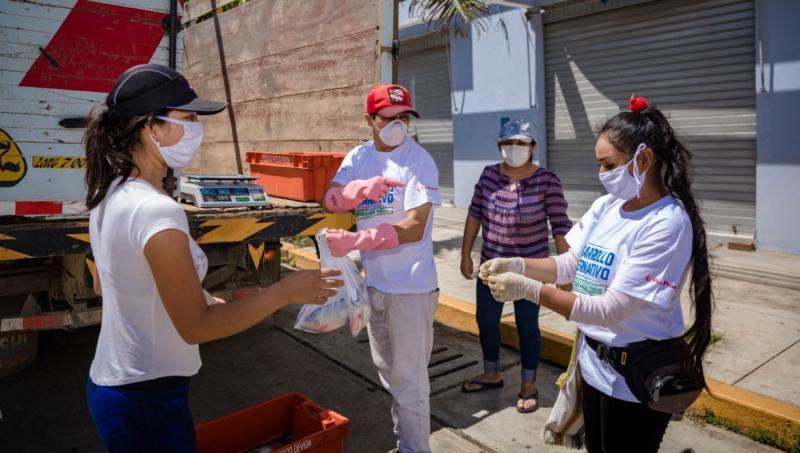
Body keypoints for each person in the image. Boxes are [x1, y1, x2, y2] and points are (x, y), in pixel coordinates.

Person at [84, 64, 343, 452]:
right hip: (147, 398)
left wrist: (195, 296)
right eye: (187, 117)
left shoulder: (110, 195)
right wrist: (285, 291)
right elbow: (196, 329)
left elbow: (109, 284)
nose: (196, 128)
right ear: (150, 127)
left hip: (117, 386)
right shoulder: (156, 210)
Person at [480, 96, 713, 452]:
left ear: (644, 159)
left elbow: (610, 310)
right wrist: (518, 264)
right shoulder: (608, 207)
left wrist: (528, 289)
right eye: (599, 165)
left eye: (608, 164)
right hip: (593, 368)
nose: (601, 174)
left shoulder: (666, 223)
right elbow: (568, 264)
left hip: (634, 380)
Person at [322, 84, 440, 453]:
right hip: (375, 285)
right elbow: (330, 200)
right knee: (390, 376)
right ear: (370, 120)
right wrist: (353, 191)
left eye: (403, 117)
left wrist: (358, 241)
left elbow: (414, 226)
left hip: (411, 289)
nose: (397, 124)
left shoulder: (418, 160)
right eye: (388, 118)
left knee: (410, 383)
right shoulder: (357, 157)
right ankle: (404, 442)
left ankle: (415, 449)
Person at [460, 119, 572, 413]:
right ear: (500, 146)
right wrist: (464, 253)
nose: (515, 148)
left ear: (533, 147)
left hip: (529, 270)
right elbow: (474, 215)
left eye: (522, 143)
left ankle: (528, 384)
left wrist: (564, 269)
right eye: (509, 143)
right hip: (491, 267)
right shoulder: (488, 176)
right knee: (486, 321)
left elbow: (560, 225)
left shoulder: (547, 180)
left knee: (527, 326)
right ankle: (492, 373)